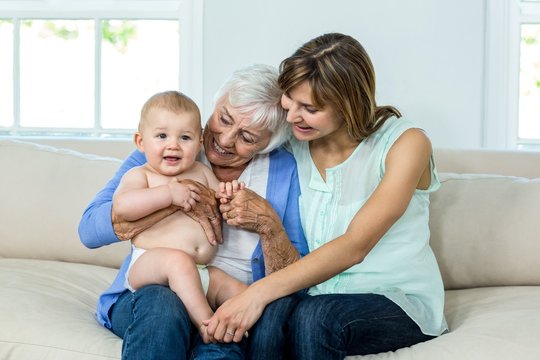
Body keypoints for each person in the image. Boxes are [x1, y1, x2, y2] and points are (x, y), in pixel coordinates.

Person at [204, 33, 448, 359]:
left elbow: (355, 245)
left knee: (315, 317)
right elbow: (230, 139)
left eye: (310, 108)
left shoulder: (406, 143)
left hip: (395, 299)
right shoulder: (294, 143)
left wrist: (255, 294)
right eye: (290, 102)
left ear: (348, 104)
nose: (292, 118)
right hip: (314, 293)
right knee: (272, 321)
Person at [78, 64, 308, 360]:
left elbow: (297, 273)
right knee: (163, 305)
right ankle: (205, 324)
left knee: (232, 333)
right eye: (224, 120)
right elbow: (89, 230)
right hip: (153, 292)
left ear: (268, 144)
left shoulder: (283, 170)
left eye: (247, 138)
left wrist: (268, 223)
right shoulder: (165, 147)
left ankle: (214, 331)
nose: (225, 140)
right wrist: (172, 198)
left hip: (216, 290)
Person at [113, 90, 248, 343]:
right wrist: (168, 194)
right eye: (162, 136)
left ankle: (246, 332)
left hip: (200, 271)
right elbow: (122, 206)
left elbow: (218, 202)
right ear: (141, 141)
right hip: (151, 265)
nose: (173, 144)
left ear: (199, 144)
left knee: (241, 291)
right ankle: (207, 324)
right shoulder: (141, 175)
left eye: (184, 137)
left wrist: (231, 196)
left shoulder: (202, 172)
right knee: (177, 261)